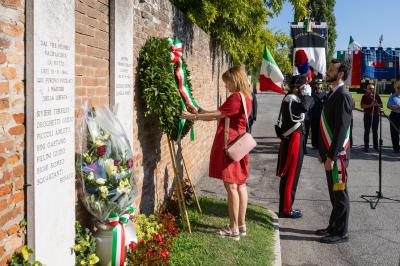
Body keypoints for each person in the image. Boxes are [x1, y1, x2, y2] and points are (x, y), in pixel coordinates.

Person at [180, 66, 252, 240]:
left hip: (230, 146)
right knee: (240, 186)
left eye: (227, 81)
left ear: (235, 80)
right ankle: (241, 226)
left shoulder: (235, 97)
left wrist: (191, 116)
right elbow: (223, 115)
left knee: (232, 187)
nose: (226, 85)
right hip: (240, 146)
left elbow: (217, 115)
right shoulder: (246, 97)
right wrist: (202, 111)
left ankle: (233, 230)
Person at [316, 59, 352, 244]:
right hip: (330, 155)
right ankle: (333, 226)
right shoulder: (333, 93)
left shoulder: (343, 95)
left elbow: (341, 128)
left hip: (338, 157)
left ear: (340, 74)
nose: (328, 72)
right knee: (333, 193)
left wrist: (331, 155)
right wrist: (323, 152)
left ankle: (341, 232)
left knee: (340, 193)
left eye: (331, 70)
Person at [276, 74, 313, 218]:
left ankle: (286, 206)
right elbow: (305, 107)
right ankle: (286, 209)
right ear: (298, 87)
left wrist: (307, 95)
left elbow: (310, 104)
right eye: (303, 86)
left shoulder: (293, 98)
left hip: (294, 138)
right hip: (294, 139)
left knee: (291, 174)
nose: (305, 88)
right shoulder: (291, 99)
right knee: (291, 174)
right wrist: (307, 94)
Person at [360, 84, 383, 152]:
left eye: (373, 88)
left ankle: (375, 146)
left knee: (375, 131)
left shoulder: (377, 96)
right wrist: (370, 105)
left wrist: (377, 104)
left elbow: (381, 105)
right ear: (367, 89)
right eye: (370, 88)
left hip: (375, 115)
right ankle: (366, 146)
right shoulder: (364, 96)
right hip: (367, 115)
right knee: (367, 131)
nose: (371, 90)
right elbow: (362, 106)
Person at [310, 79, 327, 149]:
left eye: (320, 84)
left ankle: (321, 144)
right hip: (314, 114)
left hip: (322, 114)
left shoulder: (325, 94)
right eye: (317, 84)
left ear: (322, 85)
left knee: (321, 130)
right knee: (314, 130)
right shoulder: (312, 94)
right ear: (315, 85)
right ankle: (314, 144)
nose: (318, 85)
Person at [387, 82, 400, 153]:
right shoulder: (392, 96)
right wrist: (397, 107)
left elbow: (394, 106)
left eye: (398, 88)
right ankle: (396, 148)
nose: (397, 89)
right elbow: (389, 106)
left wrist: (396, 106)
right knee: (394, 133)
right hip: (394, 115)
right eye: (397, 88)